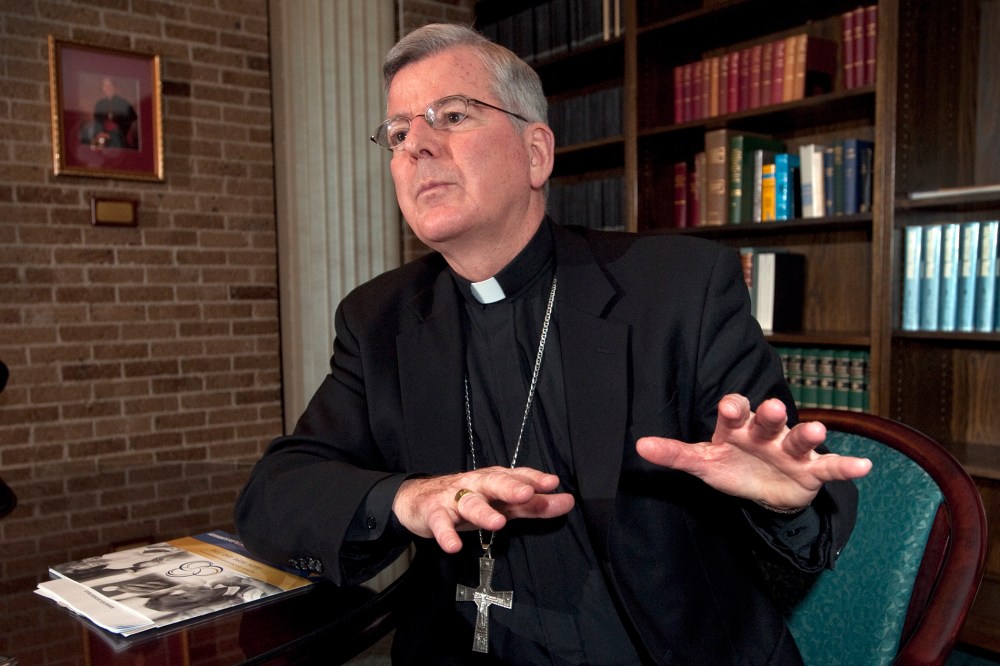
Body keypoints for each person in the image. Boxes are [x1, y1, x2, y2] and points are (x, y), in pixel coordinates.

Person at [234, 23, 872, 664]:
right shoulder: (379, 319)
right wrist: (406, 497)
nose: (416, 147)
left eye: (450, 115)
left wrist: (780, 499)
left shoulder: (680, 289)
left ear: (536, 153)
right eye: (397, 134)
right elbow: (275, 495)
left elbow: (793, 487)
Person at [79, 76, 138, 149]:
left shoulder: (124, 103)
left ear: (114, 87)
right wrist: (100, 133)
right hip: (101, 134)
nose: (107, 88)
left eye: (109, 85)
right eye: (105, 86)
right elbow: (98, 121)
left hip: (117, 134)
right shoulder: (100, 104)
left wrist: (113, 131)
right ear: (103, 88)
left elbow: (130, 120)